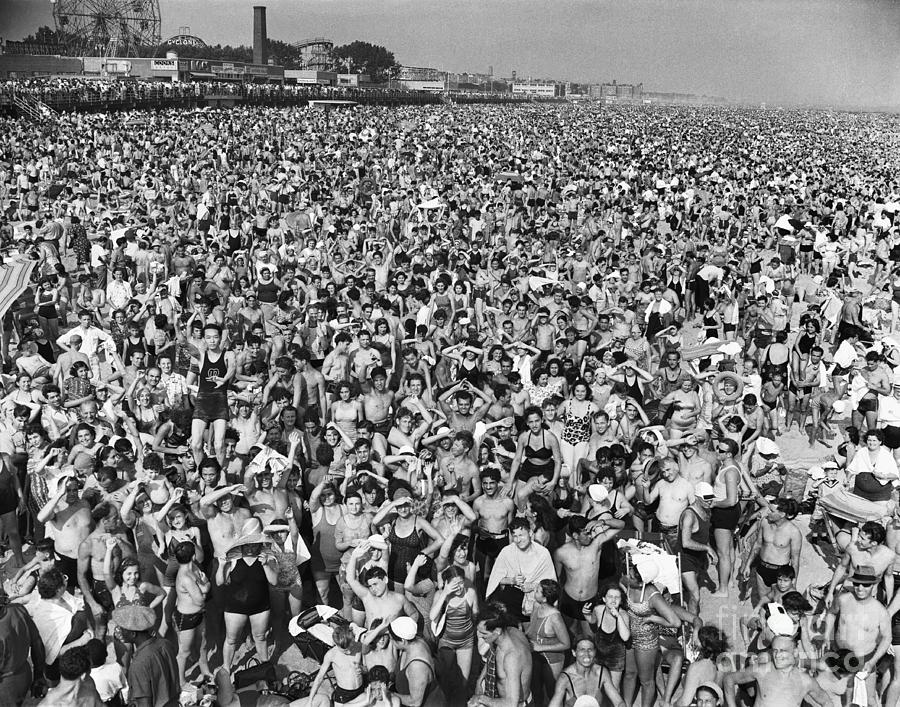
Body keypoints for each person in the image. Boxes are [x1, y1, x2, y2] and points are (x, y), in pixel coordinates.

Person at [723, 635, 830, 707]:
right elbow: (729, 679)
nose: (777, 655)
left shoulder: (806, 681)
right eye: (775, 651)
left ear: (795, 652)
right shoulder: (762, 671)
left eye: (783, 651)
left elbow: (827, 702)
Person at [486, 517, 557, 619]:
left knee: (531, 630)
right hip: (511, 597)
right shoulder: (507, 552)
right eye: (514, 536)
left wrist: (532, 586)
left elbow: (551, 584)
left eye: (521, 535)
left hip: (535, 599)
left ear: (530, 533)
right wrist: (513, 580)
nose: (518, 540)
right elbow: (496, 579)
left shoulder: (543, 553)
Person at [113, 604, 179, 707]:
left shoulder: (138, 665)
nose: (119, 631)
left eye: (123, 629)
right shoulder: (166, 644)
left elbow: (144, 703)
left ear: (133, 634)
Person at [470, 606, 533, 707]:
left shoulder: (512, 658)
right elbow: (493, 659)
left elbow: (512, 703)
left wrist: (480, 699)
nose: (479, 636)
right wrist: (480, 680)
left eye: (483, 633)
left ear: (497, 631)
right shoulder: (507, 633)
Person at [547, 636, 626, 707]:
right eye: (582, 650)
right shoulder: (565, 678)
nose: (587, 654)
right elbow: (554, 704)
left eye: (590, 650)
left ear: (595, 652)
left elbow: (618, 701)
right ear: (574, 653)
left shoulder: (601, 673)